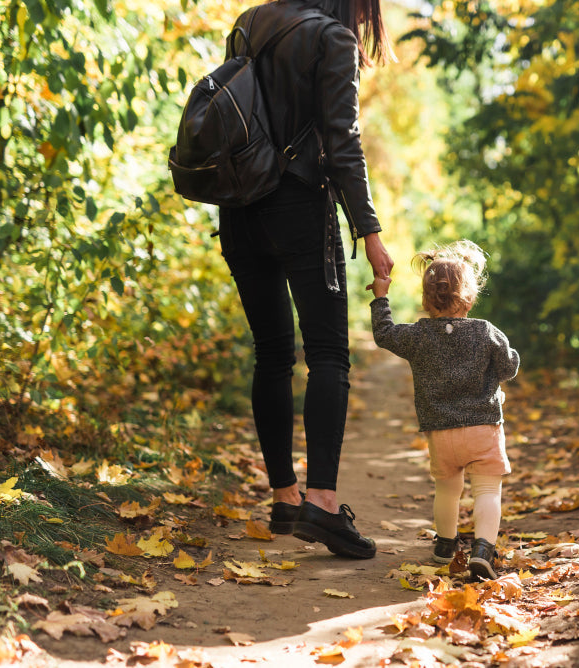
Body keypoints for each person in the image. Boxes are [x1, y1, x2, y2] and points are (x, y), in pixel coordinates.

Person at [217, 0, 394, 559]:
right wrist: (369, 231)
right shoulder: (333, 39)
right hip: (298, 206)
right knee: (327, 355)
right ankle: (320, 502)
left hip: (238, 206)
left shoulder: (249, 22)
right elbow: (343, 143)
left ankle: (285, 497)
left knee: (271, 354)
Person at [368, 240, 520, 579]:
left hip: (440, 432)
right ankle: (483, 549)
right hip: (483, 428)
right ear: (469, 297)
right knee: (487, 490)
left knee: (448, 489)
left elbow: (384, 334)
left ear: (426, 299)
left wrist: (381, 296)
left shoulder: (419, 336)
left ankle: (445, 545)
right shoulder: (486, 332)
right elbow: (508, 368)